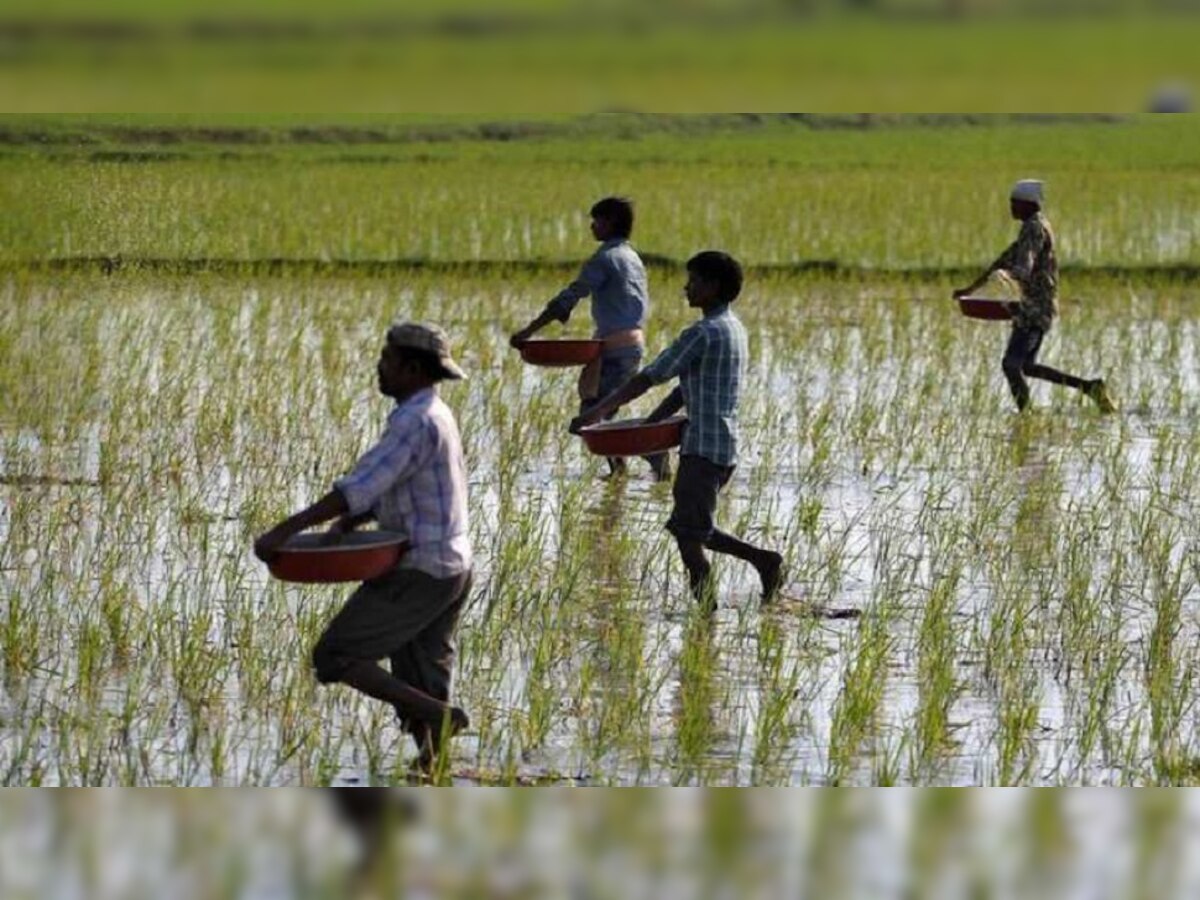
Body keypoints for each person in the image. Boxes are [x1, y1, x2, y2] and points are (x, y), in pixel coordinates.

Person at [254, 322, 473, 773]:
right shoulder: (435, 413)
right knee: (421, 675)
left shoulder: (414, 421)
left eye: (387, 360)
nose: (380, 367)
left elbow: (359, 485)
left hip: (420, 567)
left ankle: (442, 718)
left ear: (412, 369)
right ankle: (434, 767)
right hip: (451, 565)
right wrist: (356, 519)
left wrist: (283, 532)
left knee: (335, 654)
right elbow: (404, 488)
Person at [570, 251, 783, 612]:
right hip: (721, 446)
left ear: (713, 287)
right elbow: (685, 388)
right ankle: (728, 591)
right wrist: (649, 423)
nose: (686, 288)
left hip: (702, 449)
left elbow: (649, 376)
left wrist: (596, 411)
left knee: (689, 534)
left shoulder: (702, 332)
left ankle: (719, 601)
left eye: (694, 281)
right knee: (692, 528)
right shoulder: (733, 328)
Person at [510, 196, 669, 480]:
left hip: (618, 347)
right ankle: (622, 469)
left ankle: (649, 452)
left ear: (610, 223)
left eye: (596, 220)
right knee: (600, 409)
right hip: (628, 344)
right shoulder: (632, 257)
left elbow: (570, 296)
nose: (592, 226)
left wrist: (529, 331)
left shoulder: (605, 258)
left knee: (594, 411)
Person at [954, 179, 1117, 414]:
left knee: (1011, 365)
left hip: (1035, 308)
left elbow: (1024, 265)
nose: (1011, 208)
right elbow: (1004, 259)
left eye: (1014, 203)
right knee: (1026, 366)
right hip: (1033, 306)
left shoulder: (1034, 228)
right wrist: (970, 289)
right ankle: (1090, 387)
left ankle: (1027, 415)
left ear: (1028, 204)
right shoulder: (1032, 226)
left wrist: (1007, 276)